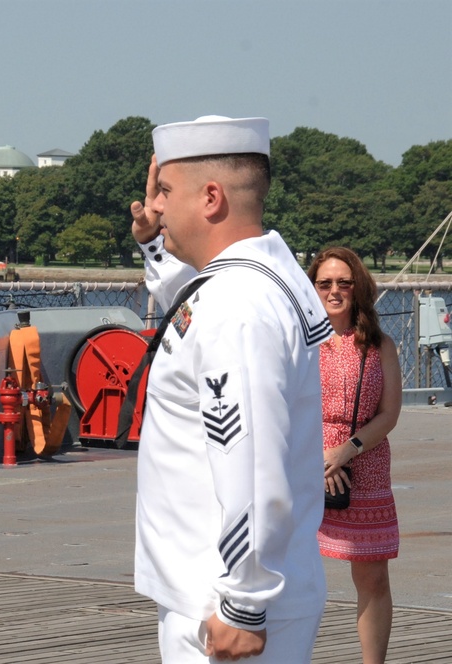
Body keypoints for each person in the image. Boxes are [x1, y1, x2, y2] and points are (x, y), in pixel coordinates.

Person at [128, 116, 333, 662]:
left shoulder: (236, 307)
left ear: (211, 197)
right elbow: (193, 304)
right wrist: (155, 245)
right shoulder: (252, 279)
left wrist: (243, 600)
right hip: (219, 588)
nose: (158, 206)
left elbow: (250, 455)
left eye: (166, 192)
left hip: (222, 603)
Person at [308, 246, 401, 664]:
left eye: (344, 282)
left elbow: (390, 413)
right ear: (312, 288)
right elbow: (279, 407)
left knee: (373, 577)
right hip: (302, 464)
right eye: (324, 282)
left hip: (364, 463)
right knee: (286, 573)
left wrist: (346, 451)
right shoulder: (297, 340)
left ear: (358, 287)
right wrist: (319, 460)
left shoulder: (381, 345)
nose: (334, 290)